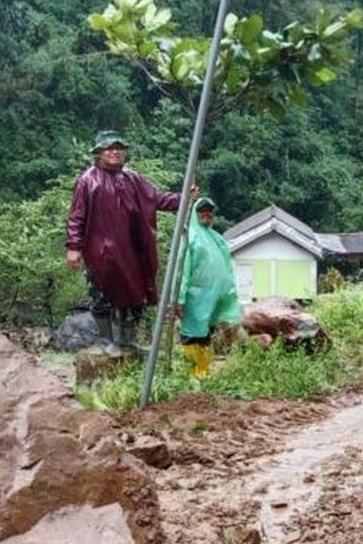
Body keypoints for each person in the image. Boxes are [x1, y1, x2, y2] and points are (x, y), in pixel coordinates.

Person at [66, 130, 182, 355]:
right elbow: (76, 216)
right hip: (100, 251)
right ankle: (106, 339)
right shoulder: (88, 181)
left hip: (131, 249)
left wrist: (182, 198)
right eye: (110, 148)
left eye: (119, 148)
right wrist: (73, 247)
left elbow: (155, 198)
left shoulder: (132, 178)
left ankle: (128, 339)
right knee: (101, 292)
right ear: (99, 152)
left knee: (134, 293)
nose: (115, 152)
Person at [173, 197, 241, 377]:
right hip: (194, 299)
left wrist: (229, 293)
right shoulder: (189, 237)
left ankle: (202, 372)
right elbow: (183, 271)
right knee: (192, 334)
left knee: (205, 334)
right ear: (194, 214)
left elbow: (226, 266)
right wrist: (179, 299)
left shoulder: (216, 238)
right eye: (202, 210)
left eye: (209, 210)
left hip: (213, 299)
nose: (206, 213)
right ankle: (192, 373)